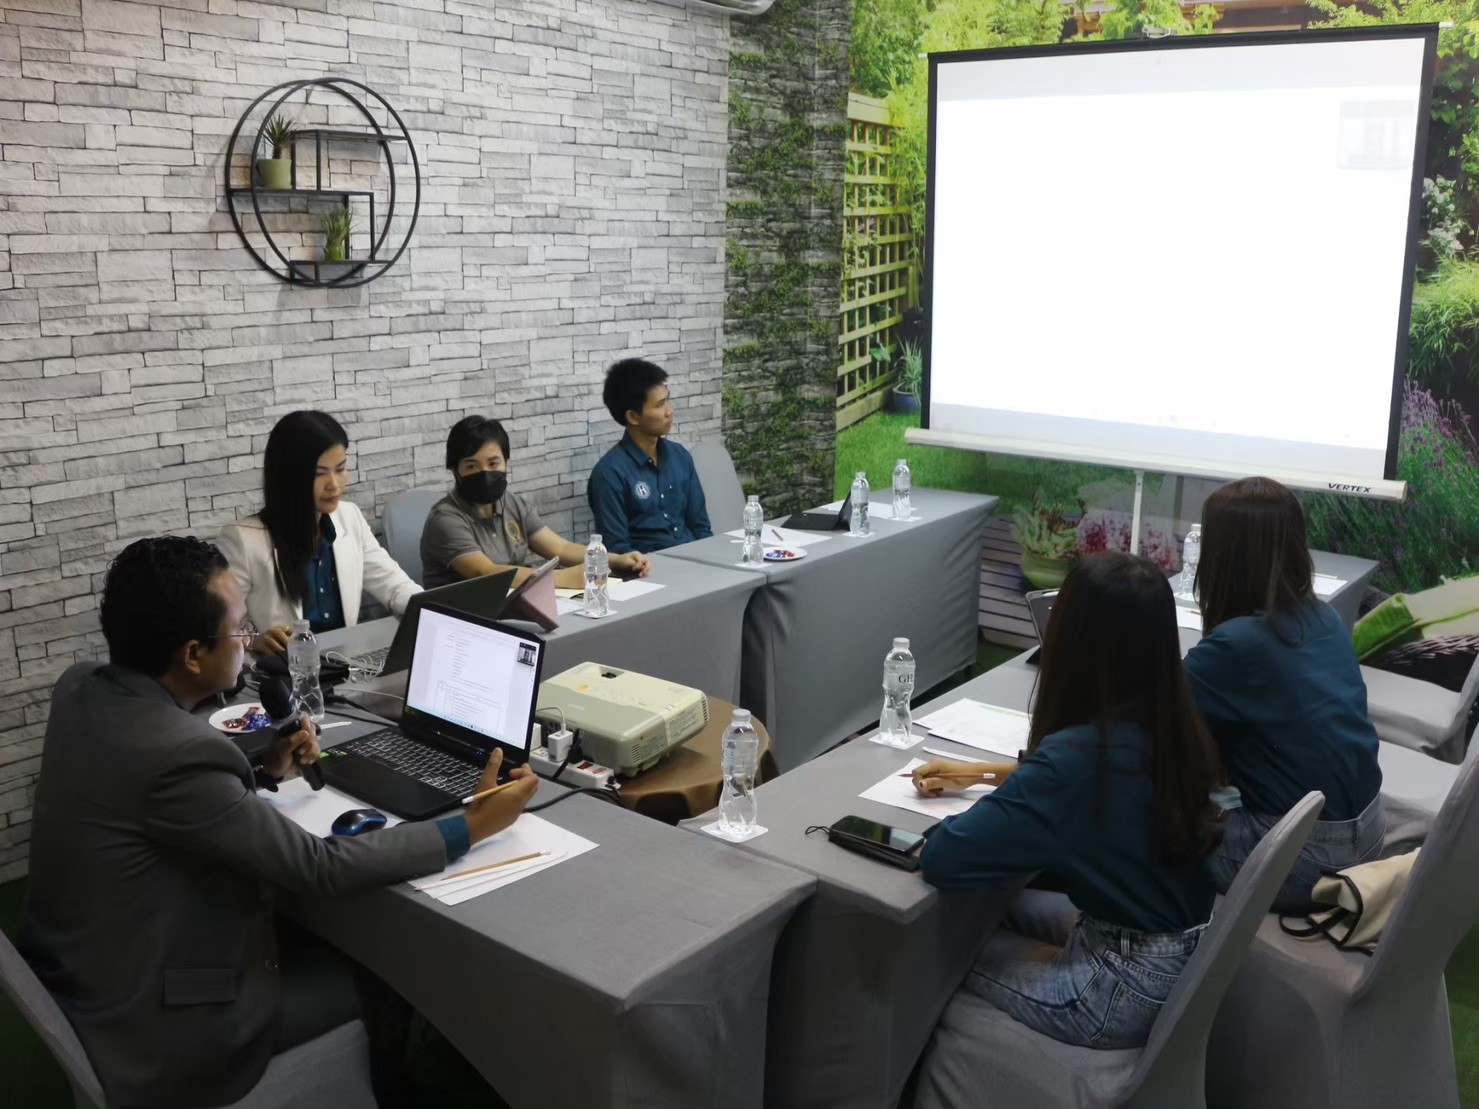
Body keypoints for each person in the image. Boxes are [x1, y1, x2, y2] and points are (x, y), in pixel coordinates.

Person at [19, 536, 538, 1108]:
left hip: (92, 970)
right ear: (192, 655)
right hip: (168, 1022)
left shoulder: (83, 687)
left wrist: (264, 771)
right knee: (390, 973)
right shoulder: (179, 752)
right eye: (239, 630)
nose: (248, 641)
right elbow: (318, 868)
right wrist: (472, 825)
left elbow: (158, 800)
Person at [916, 552, 1222, 1049]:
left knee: (925, 949)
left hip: (1112, 992)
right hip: (1172, 959)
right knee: (1003, 906)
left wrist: (1002, 796)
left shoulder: (1076, 760)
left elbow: (945, 856)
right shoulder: (1175, 728)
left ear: (1074, 641)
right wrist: (993, 775)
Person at [1185, 476, 1385, 915]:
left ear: (1221, 556)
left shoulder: (1234, 646)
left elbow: (1149, 727)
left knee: (1135, 828)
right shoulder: (1325, 618)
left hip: (1306, 860)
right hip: (1370, 833)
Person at [215, 410, 421, 656]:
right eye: (319, 473)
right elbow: (220, 627)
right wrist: (255, 640)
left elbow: (395, 587)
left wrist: (433, 611)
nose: (334, 484)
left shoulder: (350, 517)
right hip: (283, 672)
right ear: (288, 476)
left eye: (340, 468)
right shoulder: (243, 540)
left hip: (346, 664)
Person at [421, 414, 651, 591]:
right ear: (455, 470)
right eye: (472, 466)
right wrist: (562, 578)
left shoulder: (512, 503)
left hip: (515, 604)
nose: (485, 473)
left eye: (494, 463)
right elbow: (484, 572)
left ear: (506, 463)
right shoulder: (445, 519)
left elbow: (560, 548)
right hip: (462, 618)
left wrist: (612, 559)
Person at [586, 358, 712, 553]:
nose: (669, 411)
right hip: (648, 567)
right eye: (660, 405)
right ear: (633, 417)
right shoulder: (609, 474)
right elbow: (617, 550)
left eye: (668, 399)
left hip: (695, 559)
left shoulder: (680, 456)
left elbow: (701, 527)